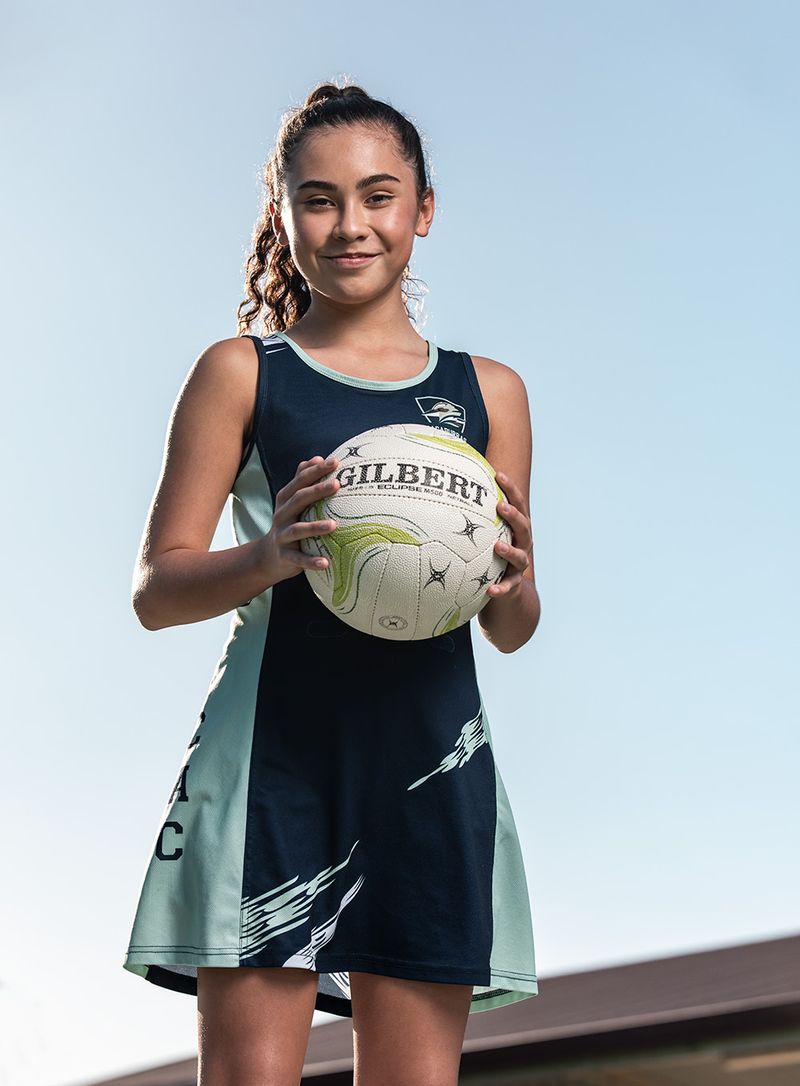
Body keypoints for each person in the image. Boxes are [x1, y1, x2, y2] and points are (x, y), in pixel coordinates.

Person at [123, 80, 541, 1086]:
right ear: (283, 212)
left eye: (378, 195)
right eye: (317, 198)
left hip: (428, 764)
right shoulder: (240, 374)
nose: (349, 224)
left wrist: (508, 583)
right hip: (272, 766)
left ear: (422, 211)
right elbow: (156, 587)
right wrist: (269, 557)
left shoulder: (487, 393)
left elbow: (515, 626)